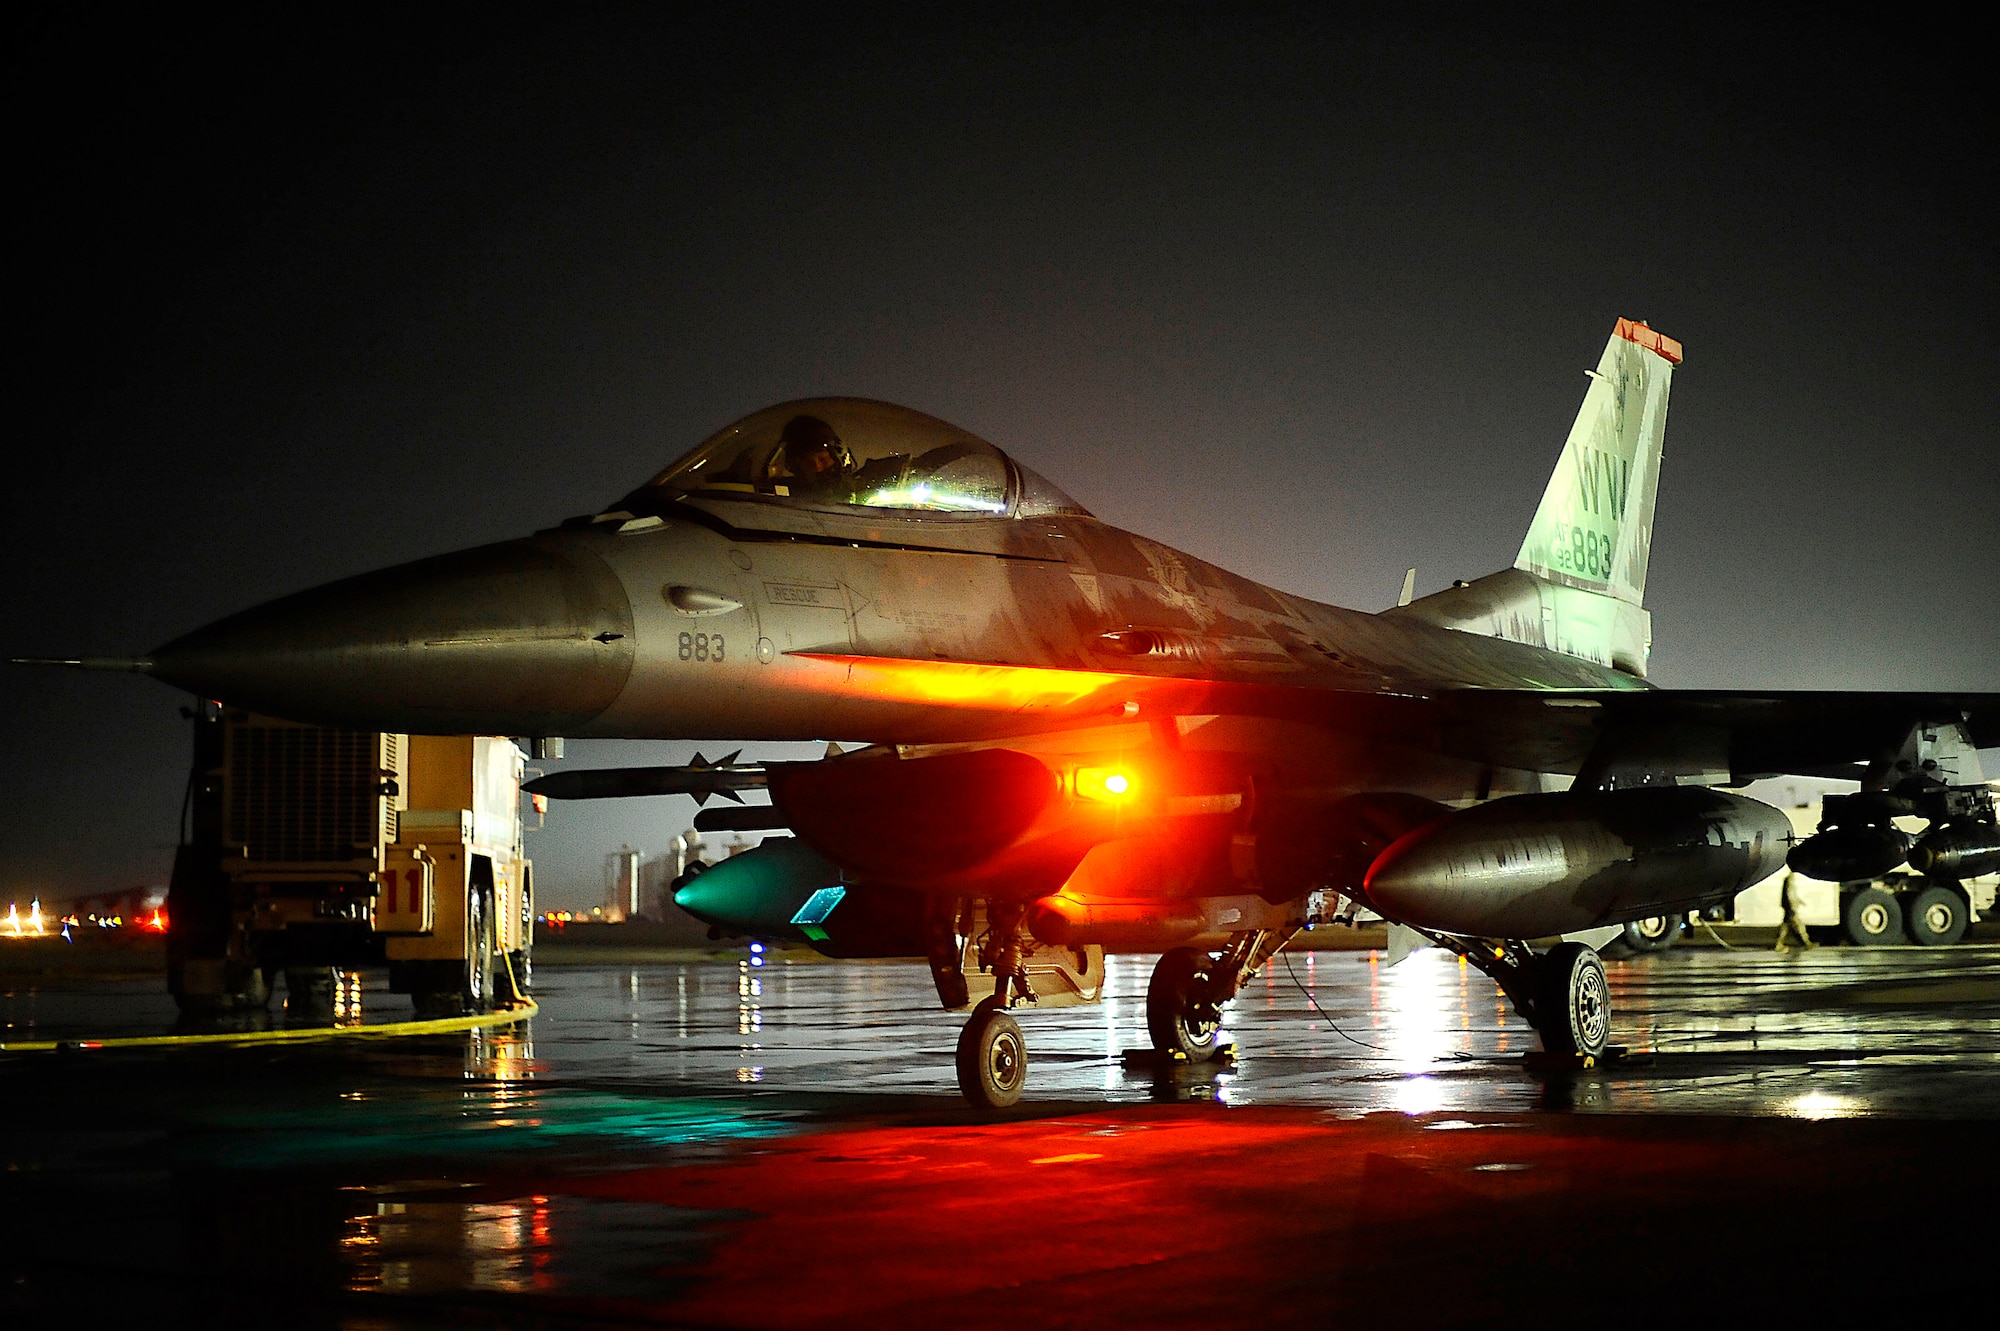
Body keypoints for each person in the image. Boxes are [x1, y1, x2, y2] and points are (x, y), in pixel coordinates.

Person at [774, 414, 854, 500]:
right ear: (795, 461)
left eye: (825, 458)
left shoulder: (851, 488)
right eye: (820, 458)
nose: (829, 463)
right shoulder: (780, 494)